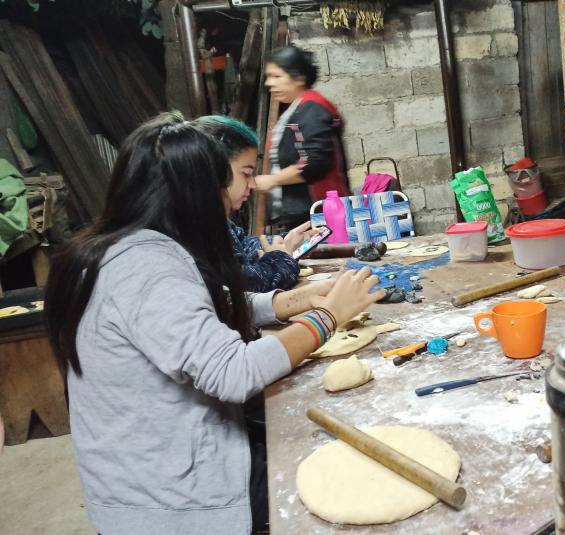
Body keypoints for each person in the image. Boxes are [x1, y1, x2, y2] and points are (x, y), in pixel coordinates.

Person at [44, 113, 384, 535]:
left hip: (154, 475)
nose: (237, 192)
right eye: (229, 180)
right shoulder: (145, 268)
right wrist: (327, 317)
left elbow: (210, 306)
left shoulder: (126, 249)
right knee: (341, 475)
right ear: (195, 192)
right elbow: (233, 372)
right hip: (172, 503)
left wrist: (294, 301)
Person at [194, 115, 316, 292]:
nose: (252, 184)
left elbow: (241, 243)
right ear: (215, 170)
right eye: (245, 173)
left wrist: (283, 241)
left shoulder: (214, 216)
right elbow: (246, 282)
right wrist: (280, 259)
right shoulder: (194, 225)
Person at [256, 46, 349, 230]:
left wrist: (272, 180)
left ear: (299, 78)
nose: (269, 83)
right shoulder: (295, 109)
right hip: (302, 214)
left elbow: (314, 162)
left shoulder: (312, 109)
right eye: (268, 77)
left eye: (277, 76)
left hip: (317, 215)